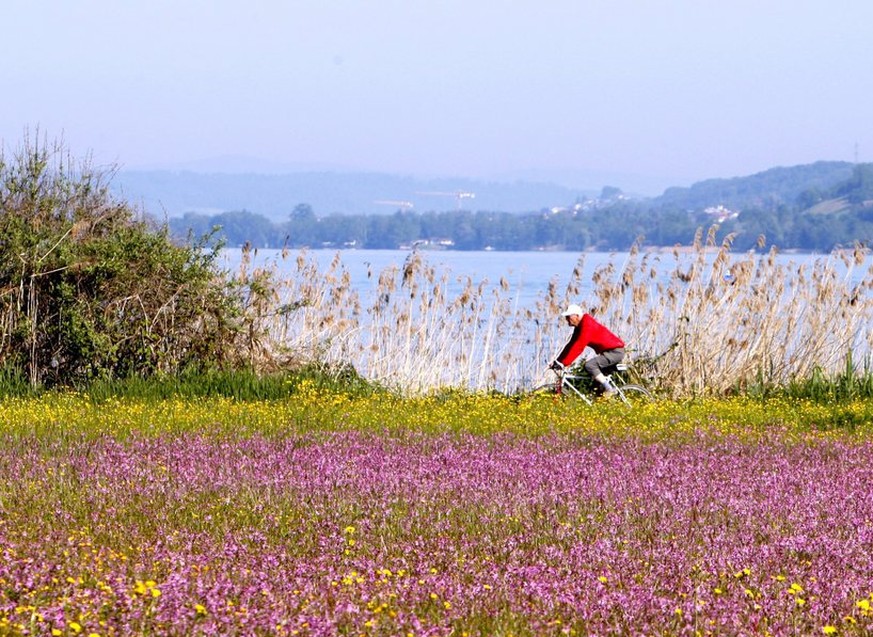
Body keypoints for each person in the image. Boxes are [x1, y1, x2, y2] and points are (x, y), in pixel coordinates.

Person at [550, 303, 625, 397]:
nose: (567, 320)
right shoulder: (579, 327)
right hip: (609, 352)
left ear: (576, 316)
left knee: (590, 365)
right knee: (596, 384)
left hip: (615, 352)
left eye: (568, 317)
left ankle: (609, 389)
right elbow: (571, 345)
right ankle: (601, 402)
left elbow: (579, 346)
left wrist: (565, 363)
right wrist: (558, 361)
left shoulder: (587, 324)